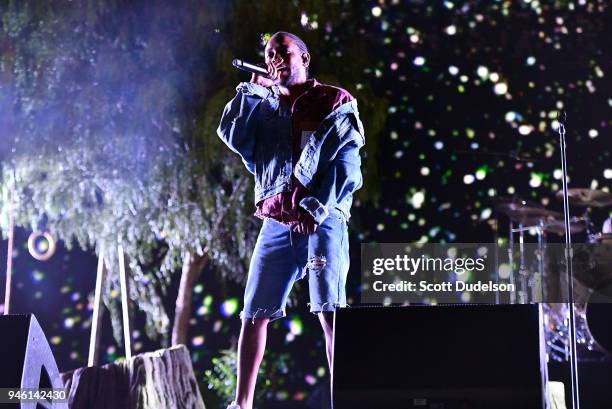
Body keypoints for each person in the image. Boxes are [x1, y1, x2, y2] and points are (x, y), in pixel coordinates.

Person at [217, 31, 365, 409]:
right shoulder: (264, 106)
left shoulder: (334, 100)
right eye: (268, 55)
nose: (274, 60)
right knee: (254, 312)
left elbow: (348, 167)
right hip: (278, 221)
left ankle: (342, 401)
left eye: (282, 52)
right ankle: (243, 403)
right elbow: (231, 135)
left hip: (323, 217)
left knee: (329, 311)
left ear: (304, 58)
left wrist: (314, 210)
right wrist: (250, 91)